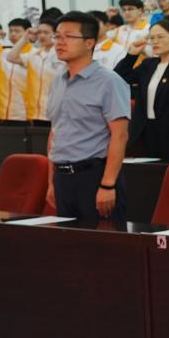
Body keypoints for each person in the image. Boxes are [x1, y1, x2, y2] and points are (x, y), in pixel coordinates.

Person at [43, 11, 130, 223]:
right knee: (69, 241)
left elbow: (119, 135)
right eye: (57, 36)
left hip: (94, 176)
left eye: (68, 37)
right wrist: (51, 182)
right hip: (62, 178)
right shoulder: (58, 81)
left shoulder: (109, 81)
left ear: (89, 43)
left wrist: (108, 184)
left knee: (102, 241)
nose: (60, 42)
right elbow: (55, 132)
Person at [116, 21, 169, 159]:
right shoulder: (148, 64)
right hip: (146, 130)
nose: (155, 41)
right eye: (151, 38)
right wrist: (132, 55)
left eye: (160, 37)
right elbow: (119, 78)